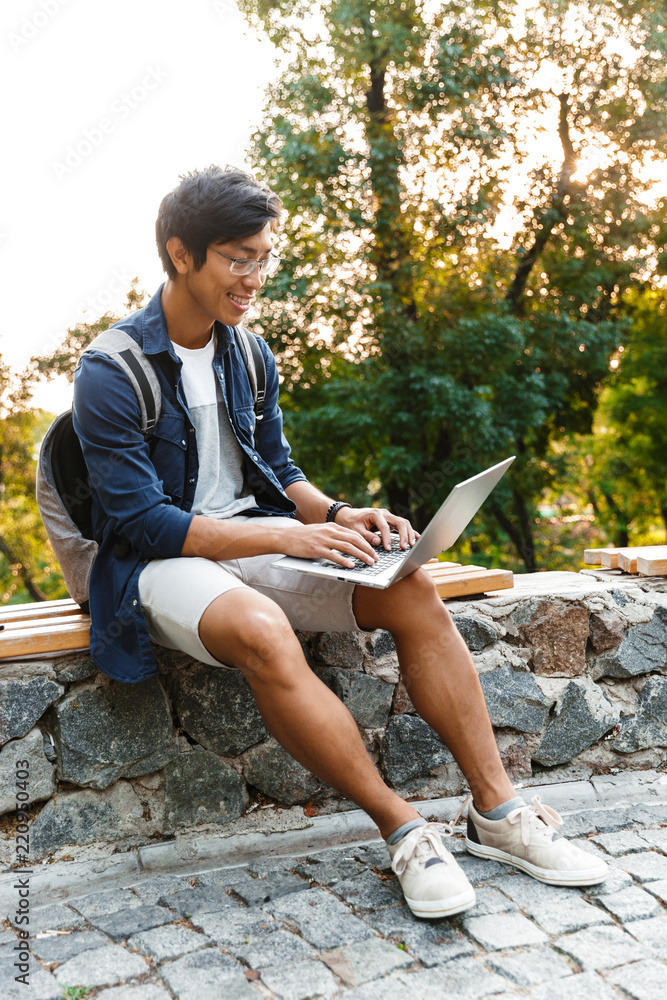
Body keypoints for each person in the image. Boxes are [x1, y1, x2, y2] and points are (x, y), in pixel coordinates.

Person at [72, 165, 607, 920]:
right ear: (181, 254)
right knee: (260, 629)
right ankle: (406, 833)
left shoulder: (249, 353)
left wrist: (339, 512)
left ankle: (496, 813)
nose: (255, 276)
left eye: (264, 256)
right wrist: (292, 534)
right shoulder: (111, 369)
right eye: (238, 258)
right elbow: (141, 523)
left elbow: (277, 466)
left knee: (411, 589)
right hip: (158, 564)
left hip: (253, 538)